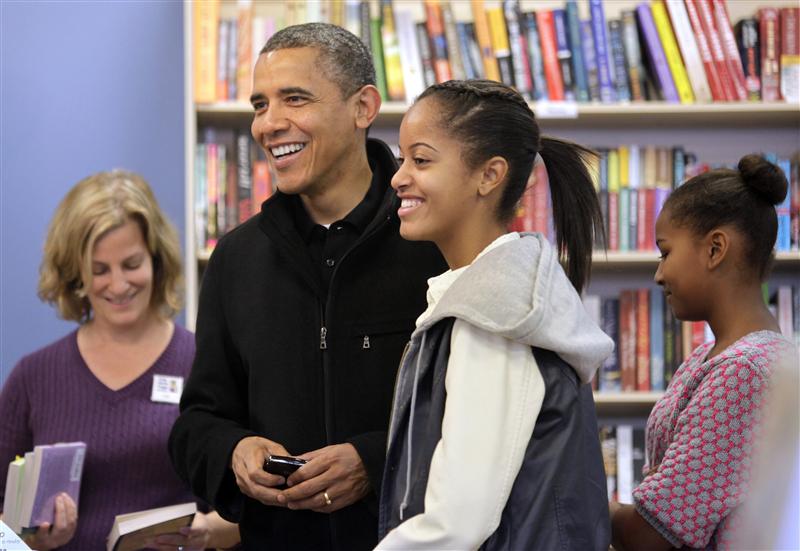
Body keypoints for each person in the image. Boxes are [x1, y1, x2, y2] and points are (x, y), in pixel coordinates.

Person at [167, 23, 445, 551]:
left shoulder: (436, 244)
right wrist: (234, 449)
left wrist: (373, 460)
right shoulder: (235, 258)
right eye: (259, 104)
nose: (270, 124)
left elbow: (479, 418)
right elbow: (196, 423)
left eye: (294, 99)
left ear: (363, 107)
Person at [376, 79, 614, 550]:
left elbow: (458, 522)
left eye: (421, 160)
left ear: (489, 176)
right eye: (401, 158)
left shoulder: (495, 316)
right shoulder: (495, 297)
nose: (398, 177)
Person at [0, 170, 239, 551]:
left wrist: (207, 532)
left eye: (131, 264)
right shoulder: (33, 378)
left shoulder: (204, 363)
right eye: (99, 270)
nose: (118, 285)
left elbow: (253, 511)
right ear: (75, 274)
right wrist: (29, 542)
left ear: (156, 260)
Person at [609, 155, 796, 550]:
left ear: (715, 249)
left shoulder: (744, 372)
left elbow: (652, 534)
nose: (659, 274)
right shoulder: (713, 359)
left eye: (665, 252)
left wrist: (577, 494)